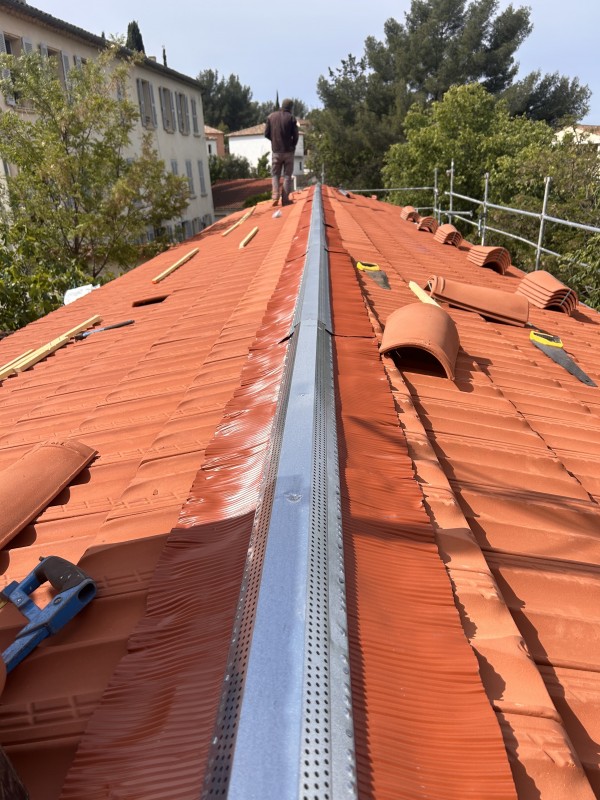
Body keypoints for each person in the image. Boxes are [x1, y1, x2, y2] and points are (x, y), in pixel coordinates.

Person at [265, 99, 299, 206]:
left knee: (275, 174)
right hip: (288, 151)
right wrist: (293, 145)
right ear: (290, 108)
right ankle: (285, 199)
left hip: (276, 151)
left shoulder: (270, 117)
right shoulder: (291, 118)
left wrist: (274, 140)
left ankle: (275, 195)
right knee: (287, 175)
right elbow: (296, 135)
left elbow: (266, 133)